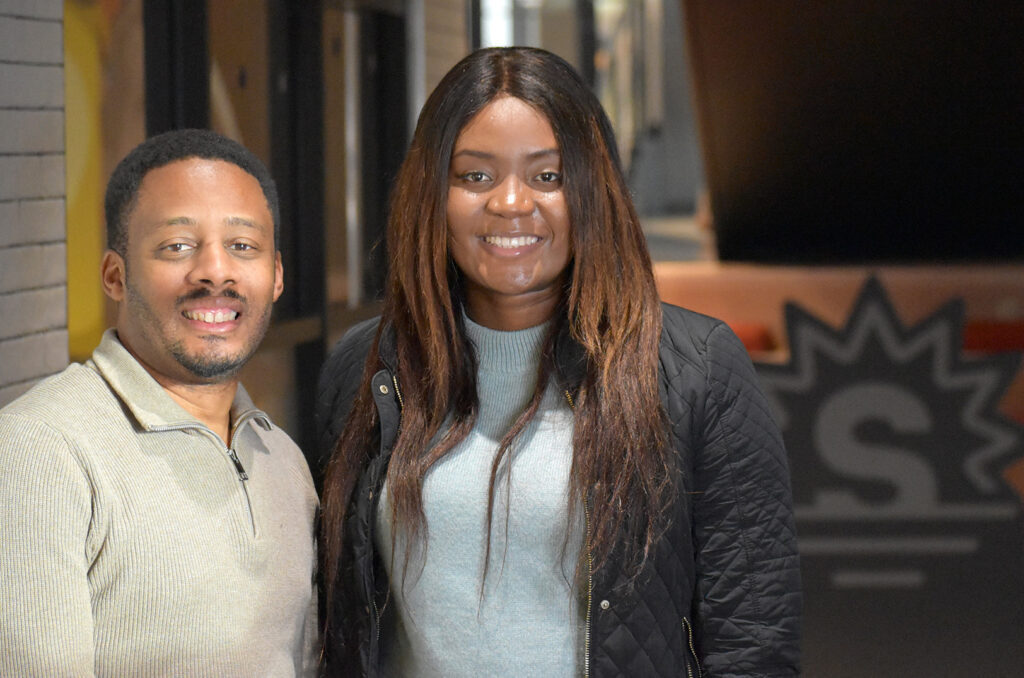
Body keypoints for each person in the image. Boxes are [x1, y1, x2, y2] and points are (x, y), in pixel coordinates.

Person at [316, 47, 800, 678]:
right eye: (475, 176)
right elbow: (338, 622)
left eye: (548, 176)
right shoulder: (367, 367)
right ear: (431, 192)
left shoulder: (693, 369)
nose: (511, 203)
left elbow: (754, 642)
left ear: (594, 190)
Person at [0, 129, 319, 676]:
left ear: (276, 276)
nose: (215, 270)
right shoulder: (40, 449)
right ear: (115, 276)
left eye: (243, 246)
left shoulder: (282, 458)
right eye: (177, 246)